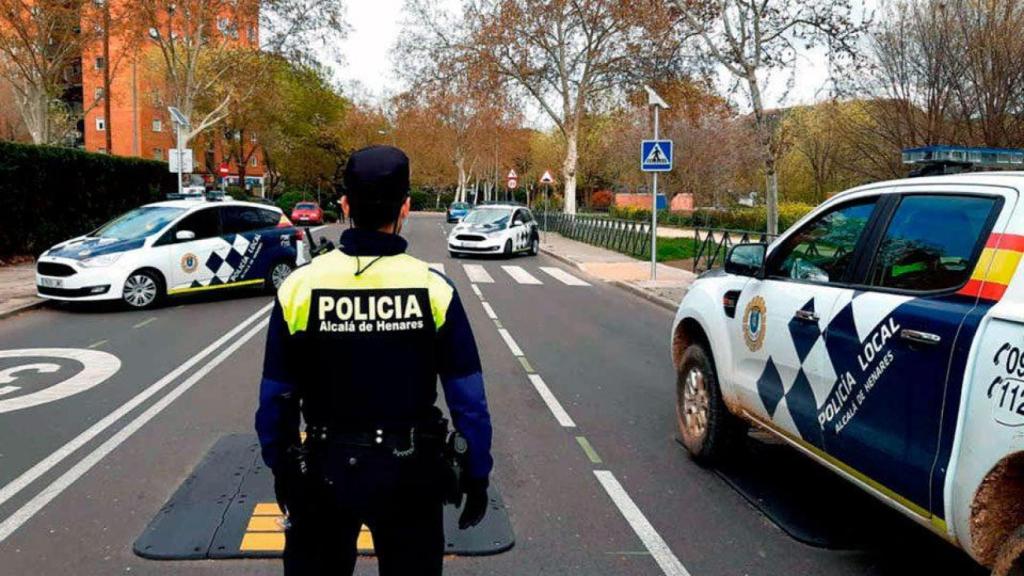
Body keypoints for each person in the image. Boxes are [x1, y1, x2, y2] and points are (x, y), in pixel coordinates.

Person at [255, 145, 493, 575]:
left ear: (345, 206)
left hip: (325, 470)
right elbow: (469, 399)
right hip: (411, 473)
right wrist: (477, 472)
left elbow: (276, 397)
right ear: (405, 208)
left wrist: (283, 466)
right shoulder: (433, 288)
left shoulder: (300, 287)